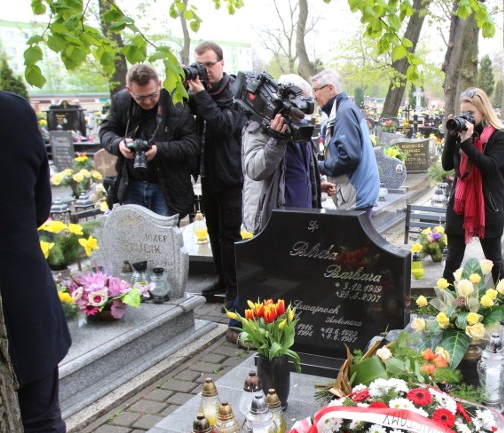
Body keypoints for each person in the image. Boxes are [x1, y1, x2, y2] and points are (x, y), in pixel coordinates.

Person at [0, 80, 77, 433]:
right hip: (21, 289)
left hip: (9, 290)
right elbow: (39, 207)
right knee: (41, 425)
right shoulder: (9, 109)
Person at [186, 41, 246, 308]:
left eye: (210, 64)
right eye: (200, 65)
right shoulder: (197, 91)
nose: (205, 70)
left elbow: (224, 126)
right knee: (212, 231)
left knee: (230, 236)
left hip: (232, 176)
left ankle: (236, 289)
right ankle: (222, 278)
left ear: (222, 63)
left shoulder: (237, 92)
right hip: (207, 175)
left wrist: (201, 96)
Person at [99, 63, 200, 218]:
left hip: (168, 186)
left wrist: (159, 150)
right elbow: (106, 131)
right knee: (133, 239)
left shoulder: (176, 101)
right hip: (131, 184)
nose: (147, 102)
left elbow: (192, 144)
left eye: (152, 95)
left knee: (165, 239)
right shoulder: (122, 101)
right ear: (129, 90)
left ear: (159, 85)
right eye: (140, 97)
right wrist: (119, 144)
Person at [241, 74, 336, 235]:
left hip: (303, 219)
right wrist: (276, 140)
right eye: (303, 101)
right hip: (274, 223)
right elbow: (253, 170)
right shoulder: (258, 127)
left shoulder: (299, 125)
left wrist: (317, 183)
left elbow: (302, 165)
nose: (306, 108)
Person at [440, 87, 504, 286]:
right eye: (464, 112)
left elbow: (489, 166)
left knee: (494, 260)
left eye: (471, 113)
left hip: (488, 207)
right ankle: (446, 306)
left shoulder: (500, 135)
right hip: (460, 204)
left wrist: (466, 143)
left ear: (483, 111)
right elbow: (447, 165)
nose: (467, 117)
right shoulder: (461, 134)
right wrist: (451, 135)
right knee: (453, 259)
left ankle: (502, 304)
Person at [310, 69, 379, 217]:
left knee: (352, 240)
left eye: (316, 90)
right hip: (357, 194)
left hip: (356, 196)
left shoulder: (343, 112)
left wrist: (318, 166)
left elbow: (349, 157)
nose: (314, 96)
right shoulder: (344, 109)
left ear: (330, 88)